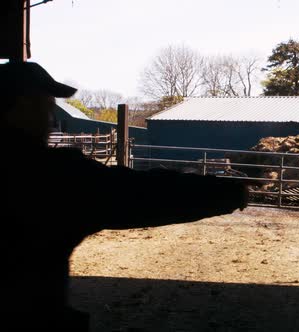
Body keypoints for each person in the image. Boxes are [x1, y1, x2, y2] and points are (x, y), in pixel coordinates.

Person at [0, 61, 251, 331]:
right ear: (24, 105)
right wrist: (225, 192)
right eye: (46, 107)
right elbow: (140, 194)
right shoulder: (51, 176)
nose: (50, 120)